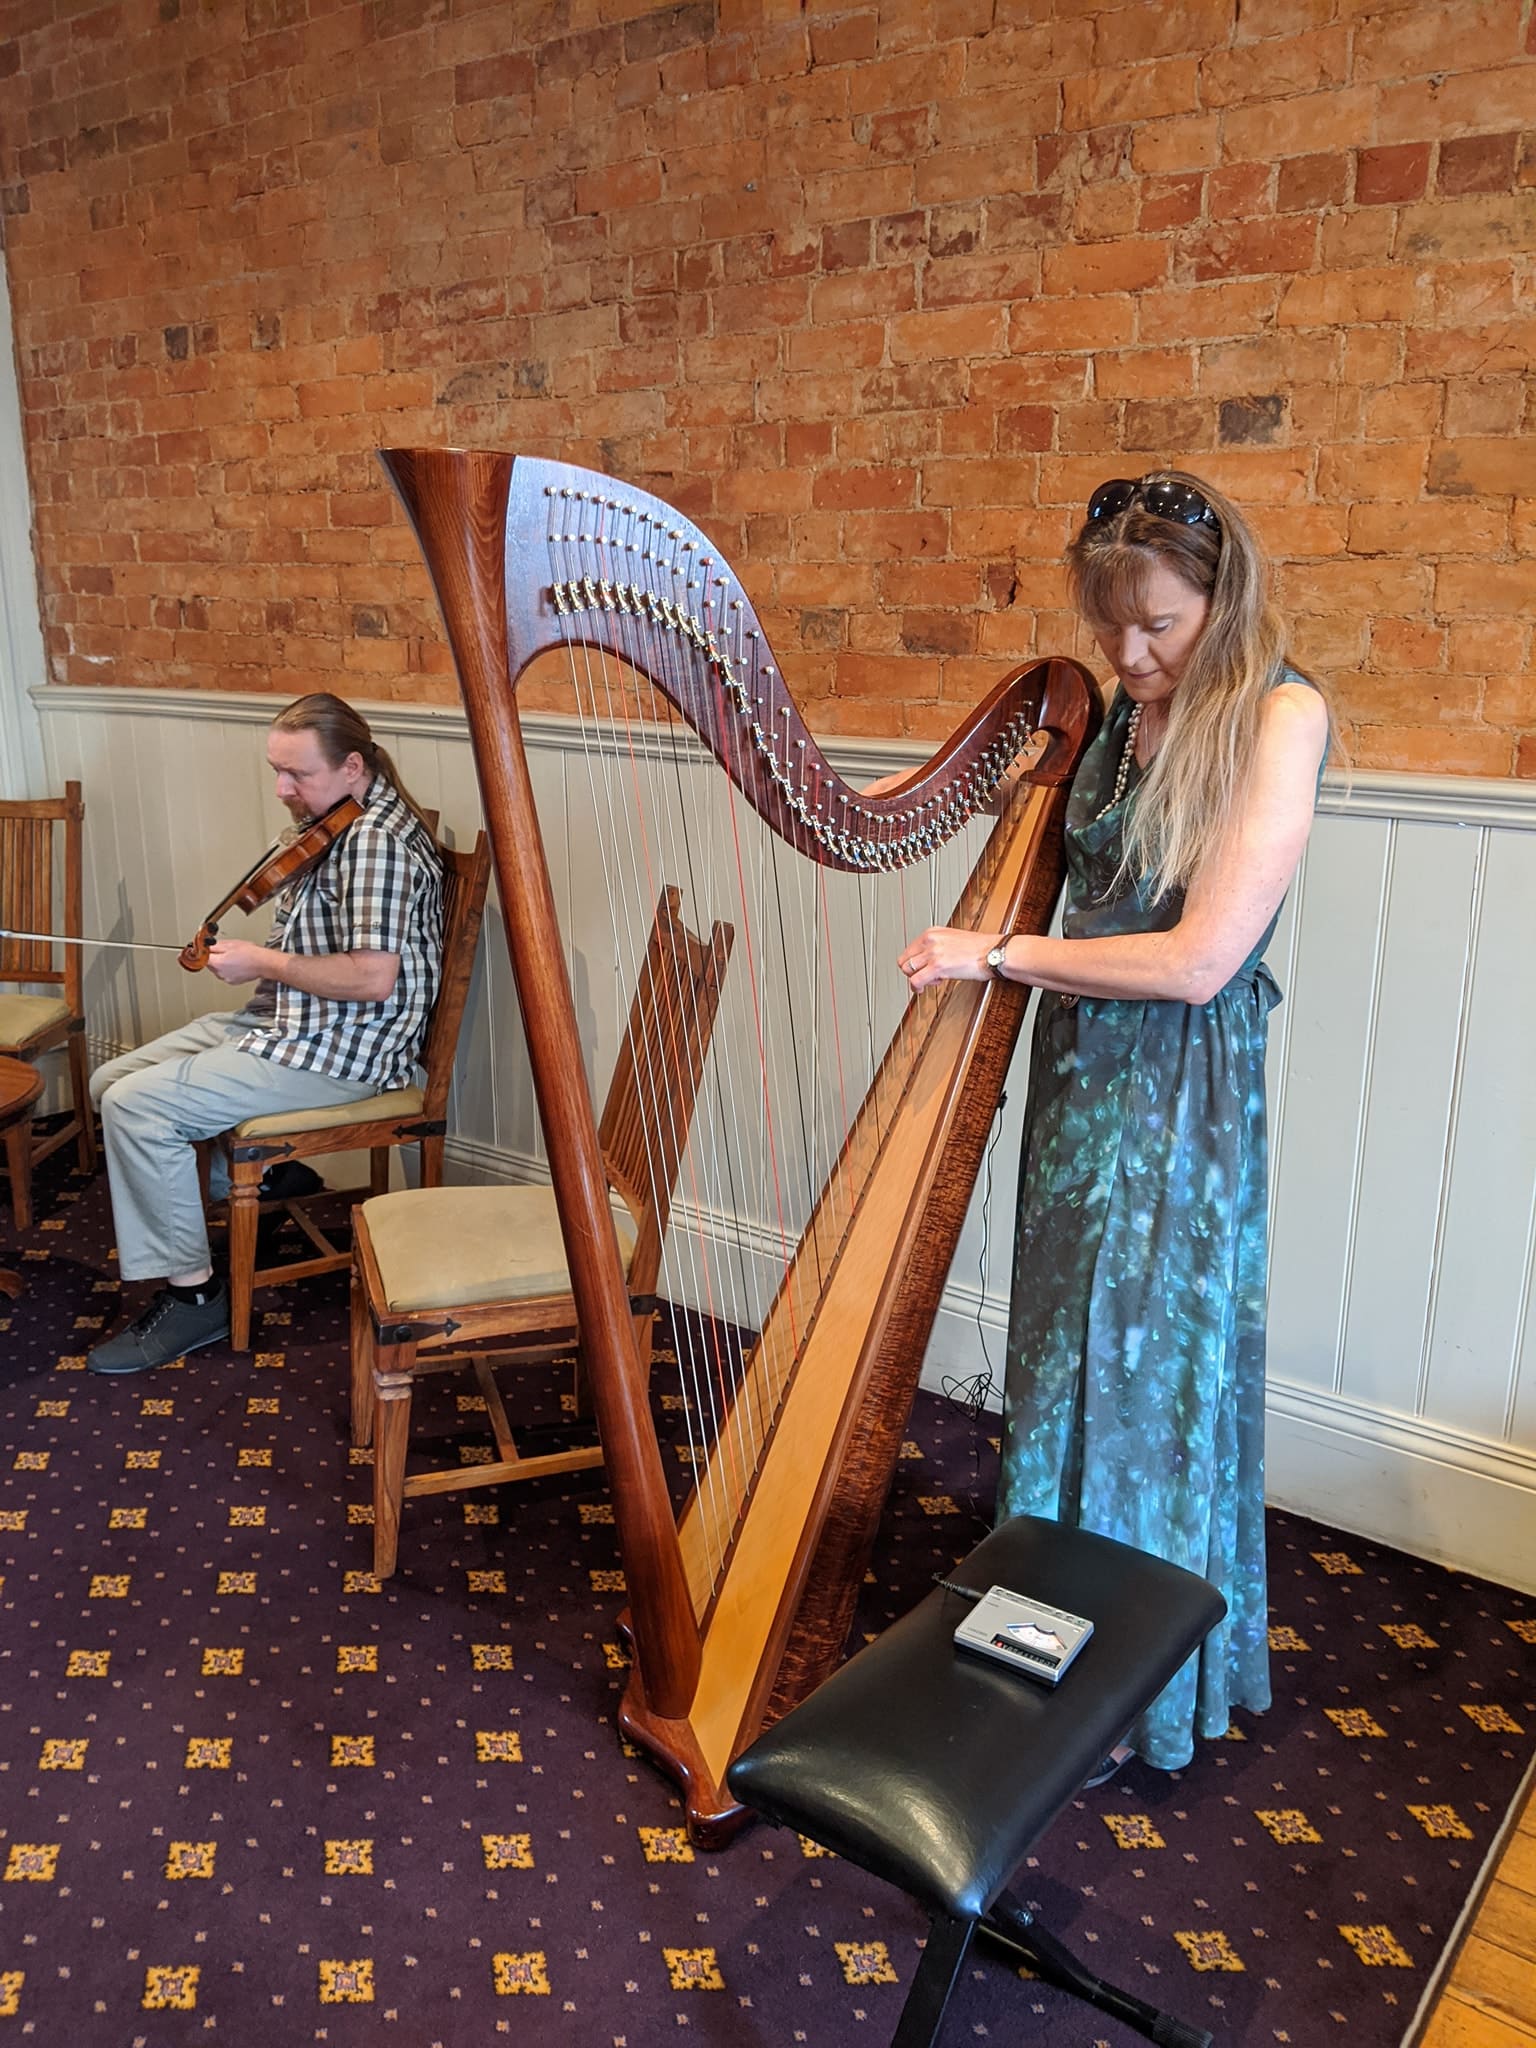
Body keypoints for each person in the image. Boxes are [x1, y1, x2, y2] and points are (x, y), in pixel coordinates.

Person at [897, 471, 1331, 1774]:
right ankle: (1044, 1643)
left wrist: (1002, 955)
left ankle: (1134, 1686)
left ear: (1221, 594)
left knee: (1143, 1369)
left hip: (1173, 1092)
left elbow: (1198, 963)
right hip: (1084, 1075)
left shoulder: (1279, 716)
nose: (1130, 655)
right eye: (1110, 628)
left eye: (1157, 625)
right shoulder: (1116, 721)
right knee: (1064, 1357)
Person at [87, 692, 444, 1377]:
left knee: (136, 1107)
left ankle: (195, 1296)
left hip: (344, 1049)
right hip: (290, 1020)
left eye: (297, 775)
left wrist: (262, 961)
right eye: (276, 771)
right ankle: (267, 1178)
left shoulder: (375, 844)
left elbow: (372, 980)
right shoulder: (338, 819)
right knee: (108, 1082)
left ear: (351, 766)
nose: (283, 790)